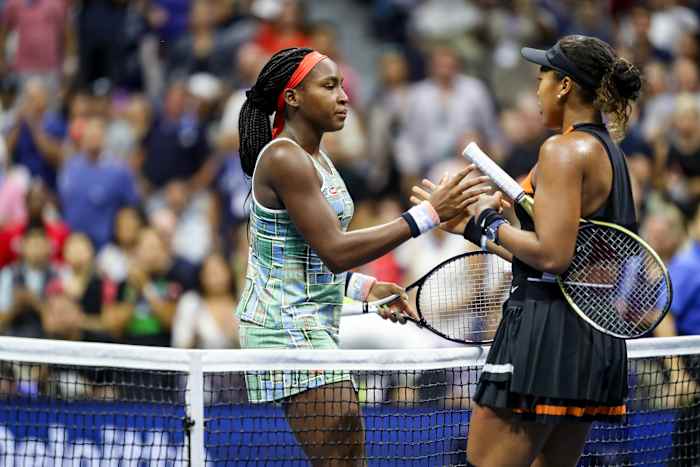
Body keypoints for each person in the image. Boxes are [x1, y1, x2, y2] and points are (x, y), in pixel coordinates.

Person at [236, 47, 488, 466]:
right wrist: (427, 215)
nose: (344, 96)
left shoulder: (319, 158)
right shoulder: (284, 157)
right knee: (343, 445)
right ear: (293, 97)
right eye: (329, 86)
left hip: (314, 320)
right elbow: (334, 251)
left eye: (342, 85)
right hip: (284, 325)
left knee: (348, 450)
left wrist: (365, 286)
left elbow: (307, 258)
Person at [412, 35, 642, 466]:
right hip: (588, 334)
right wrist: (474, 230)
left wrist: (488, 221)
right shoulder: (610, 153)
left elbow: (553, 255)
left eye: (542, 78)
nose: (535, 91)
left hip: (544, 334)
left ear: (565, 86)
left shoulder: (562, 150)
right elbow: (555, 263)